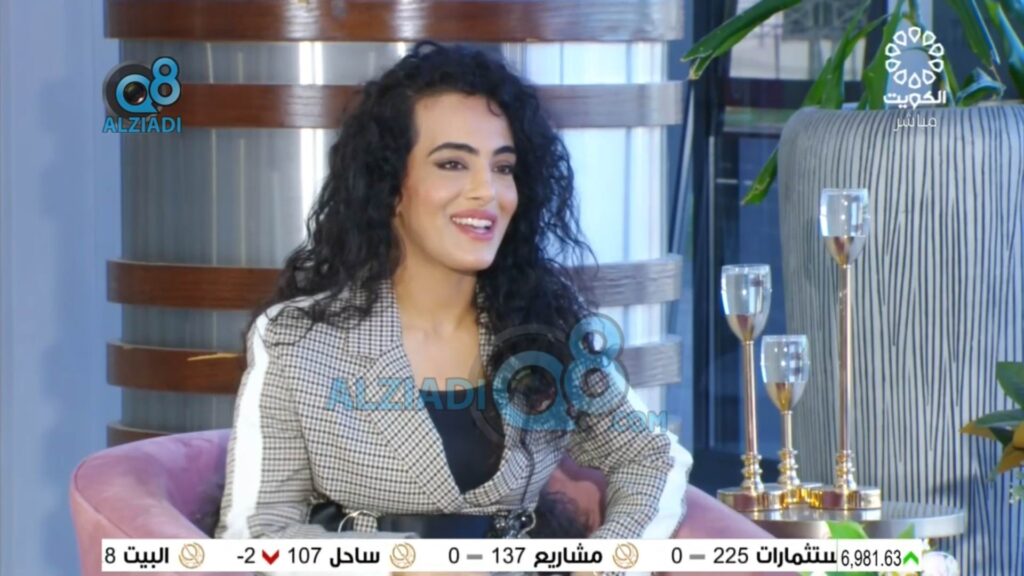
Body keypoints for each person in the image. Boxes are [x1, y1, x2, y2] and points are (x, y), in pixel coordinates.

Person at [215, 41, 693, 576]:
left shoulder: (545, 326)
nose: (487, 192)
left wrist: (603, 564)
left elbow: (653, 456)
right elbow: (255, 534)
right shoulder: (296, 337)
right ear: (391, 187)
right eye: (452, 164)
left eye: (503, 167)